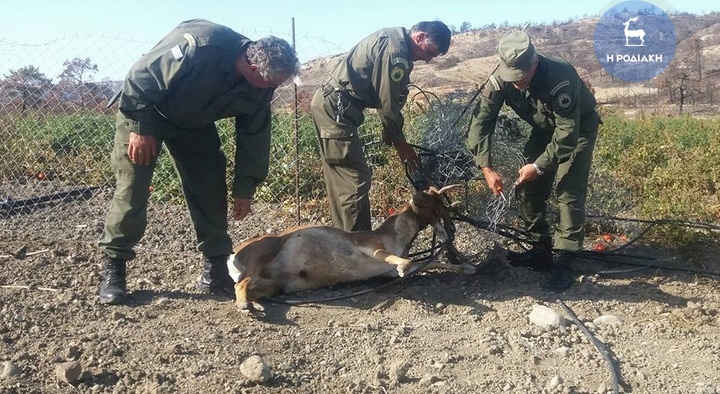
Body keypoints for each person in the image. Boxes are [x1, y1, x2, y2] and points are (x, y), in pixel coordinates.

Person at [97, 19, 300, 305]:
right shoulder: (200, 47)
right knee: (133, 188)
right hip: (146, 113)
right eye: (270, 83)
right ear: (254, 68)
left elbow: (254, 139)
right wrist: (140, 129)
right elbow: (139, 77)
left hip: (193, 125)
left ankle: (214, 271)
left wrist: (244, 188)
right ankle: (114, 269)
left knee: (209, 187)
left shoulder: (261, 87)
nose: (271, 90)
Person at [466, 29, 601, 292]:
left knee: (568, 189)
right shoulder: (501, 79)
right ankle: (541, 250)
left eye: (521, 77)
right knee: (526, 187)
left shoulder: (560, 76)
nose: (515, 83)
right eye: (510, 77)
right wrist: (487, 167)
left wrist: (539, 166)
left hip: (577, 129)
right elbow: (481, 122)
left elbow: (566, 133)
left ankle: (565, 259)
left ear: (535, 62)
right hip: (544, 132)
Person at [311, 21, 452, 232]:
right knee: (354, 182)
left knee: (341, 183)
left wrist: (391, 132)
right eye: (429, 52)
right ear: (420, 37)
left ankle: (343, 244)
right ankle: (360, 252)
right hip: (336, 111)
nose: (428, 59)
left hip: (333, 107)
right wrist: (401, 144)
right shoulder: (396, 54)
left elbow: (390, 100)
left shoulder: (394, 41)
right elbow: (386, 105)